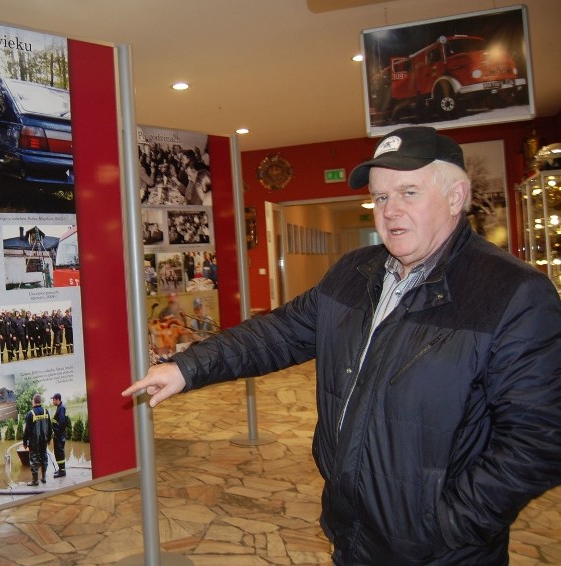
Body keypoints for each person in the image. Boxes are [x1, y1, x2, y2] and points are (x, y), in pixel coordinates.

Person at [122, 126, 561, 565]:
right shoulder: (356, 272)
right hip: (352, 529)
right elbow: (280, 332)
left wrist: (448, 525)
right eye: (380, 197)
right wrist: (188, 367)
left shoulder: (513, 294)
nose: (391, 211)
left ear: (455, 197)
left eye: (408, 192)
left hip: (443, 551)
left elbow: (538, 441)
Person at [22, 393, 51, 486]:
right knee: (44, 457)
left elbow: (27, 430)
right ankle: (44, 477)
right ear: (40, 401)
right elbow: (50, 426)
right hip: (44, 440)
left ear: (33, 401)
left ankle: (35, 481)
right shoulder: (46, 411)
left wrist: (25, 442)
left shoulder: (31, 413)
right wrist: (49, 438)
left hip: (34, 441)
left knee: (34, 459)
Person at [50, 393, 67, 477]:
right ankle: (60, 469)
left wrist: (57, 432)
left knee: (60, 453)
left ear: (57, 399)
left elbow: (62, 423)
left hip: (59, 436)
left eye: (53, 399)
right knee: (57, 452)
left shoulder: (62, 408)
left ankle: (62, 471)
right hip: (58, 435)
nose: (52, 401)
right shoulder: (59, 407)